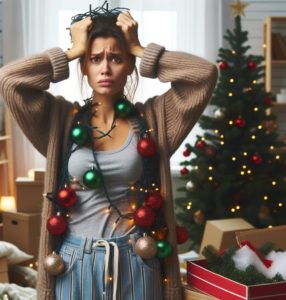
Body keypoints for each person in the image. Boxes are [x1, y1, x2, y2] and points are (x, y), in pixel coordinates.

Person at [0, 4, 217, 300]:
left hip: (137, 260)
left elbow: (204, 75)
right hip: (74, 263)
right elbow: (10, 80)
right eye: (94, 58)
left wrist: (141, 49)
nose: (105, 68)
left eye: (116, 58)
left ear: (129, 66)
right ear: (84, 67)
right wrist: (71, 51)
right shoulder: (60, 121)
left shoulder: (154, 120)